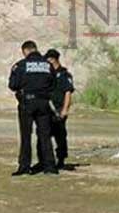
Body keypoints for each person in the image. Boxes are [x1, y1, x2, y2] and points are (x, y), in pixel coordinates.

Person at [8, 40, 58, 176]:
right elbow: (54, 84)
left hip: (27, 103)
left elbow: (13, 85)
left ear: (25, 51)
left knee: (26, 136)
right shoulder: (47, 65)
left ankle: (24, 167)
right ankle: (50, 166)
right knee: (45, 136)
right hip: (43, 103)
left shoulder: (21, 65)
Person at [45, 49, 75, 170]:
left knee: (60, 136)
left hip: (58, 109)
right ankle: (46, 160)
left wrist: (65, 109)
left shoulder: (64, 75)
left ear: (53, 59)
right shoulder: (48, 74)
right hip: (48, 109)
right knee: (45, 135)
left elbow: (68, 92)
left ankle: (61, 159)